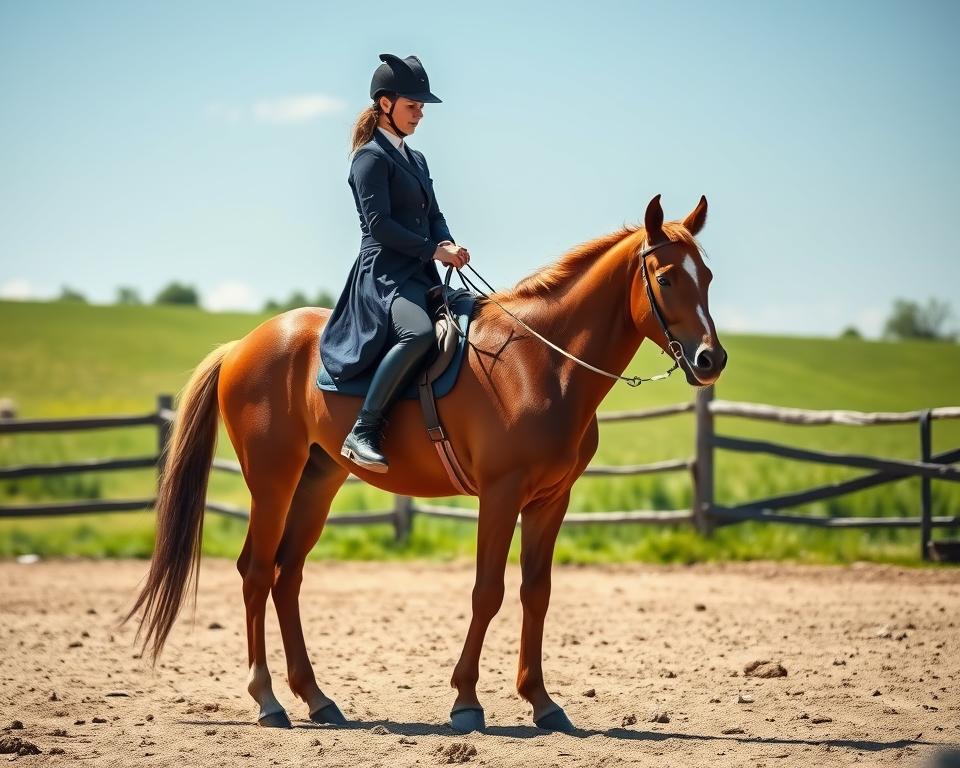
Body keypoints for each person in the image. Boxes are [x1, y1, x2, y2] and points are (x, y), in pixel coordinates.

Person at [320, 53, 470, 473]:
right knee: (419, 333)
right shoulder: (369, 159)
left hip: (419, 270)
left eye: (421, 108)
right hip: (383, 275)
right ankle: (363, 430)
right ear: (385, 104)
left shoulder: (417, 160)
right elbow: (380, 225)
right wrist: (432, 250)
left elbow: (434, 213)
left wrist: (448, 242)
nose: (420, 114)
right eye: (413, 106)